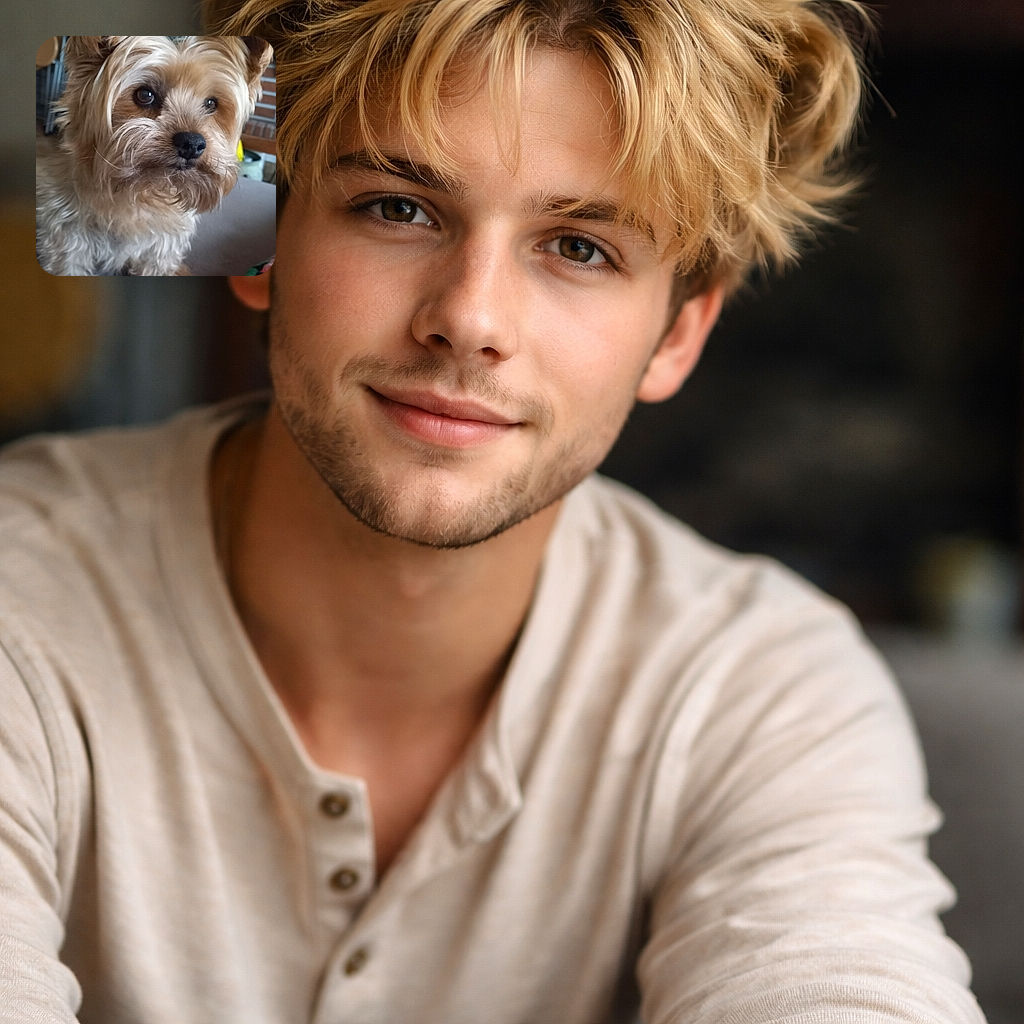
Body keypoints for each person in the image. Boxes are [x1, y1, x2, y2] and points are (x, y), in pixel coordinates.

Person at [0, 1, 988, 1021]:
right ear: (253, 231)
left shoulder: (763, 685)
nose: (469, 320)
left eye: (579, 247)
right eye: (398, 208)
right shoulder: (19, 596)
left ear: (680, 331)